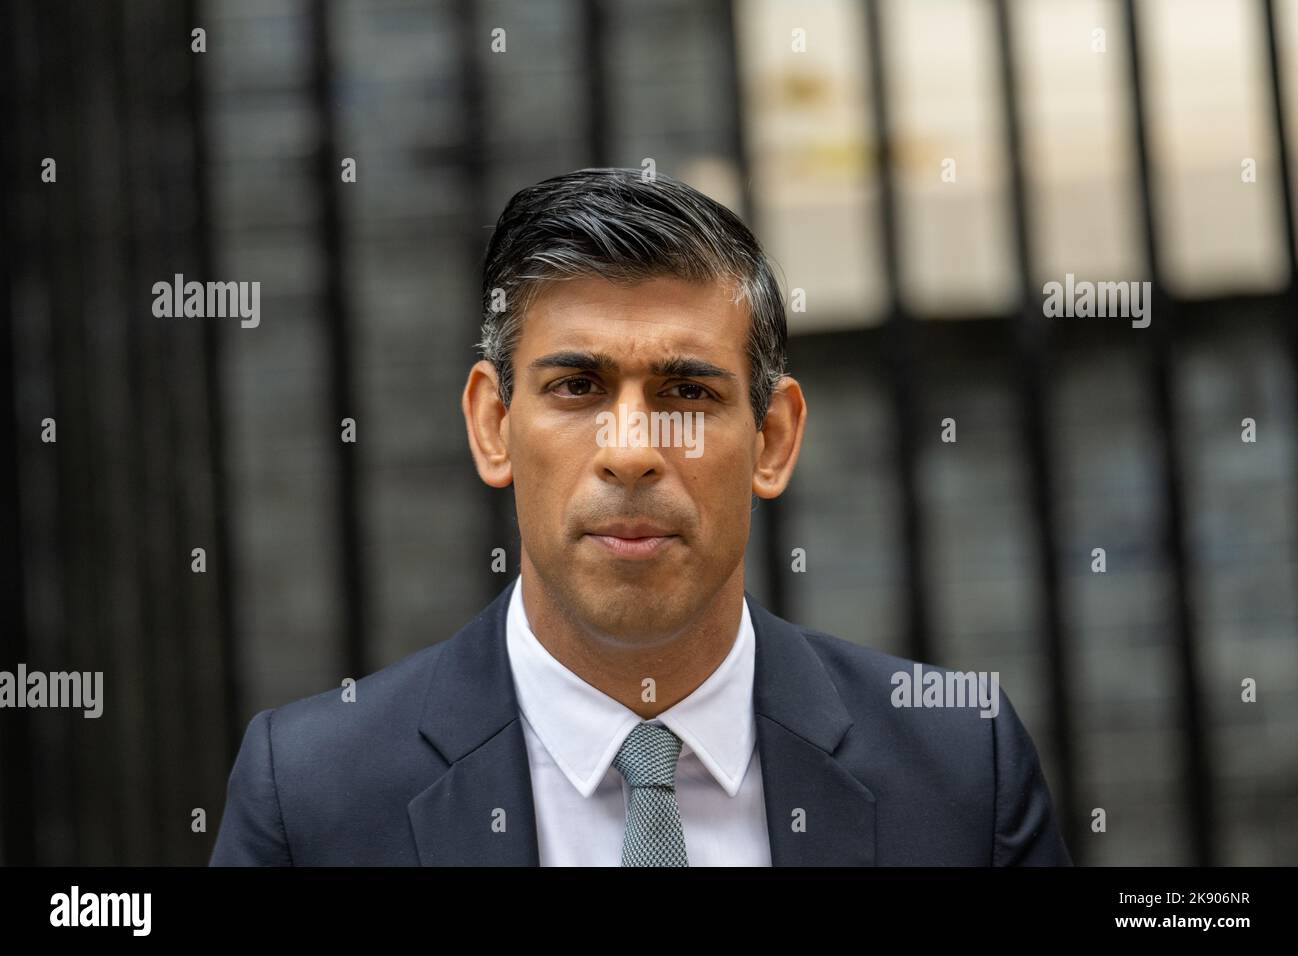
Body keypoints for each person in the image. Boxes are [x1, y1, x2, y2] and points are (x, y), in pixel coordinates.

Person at [210, 167, 1072, 866]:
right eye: (577, 388)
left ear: (772, 438)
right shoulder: (313, 795)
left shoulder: (961, 767)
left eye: (687, 392)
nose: (630, 449)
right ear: (491, 425)